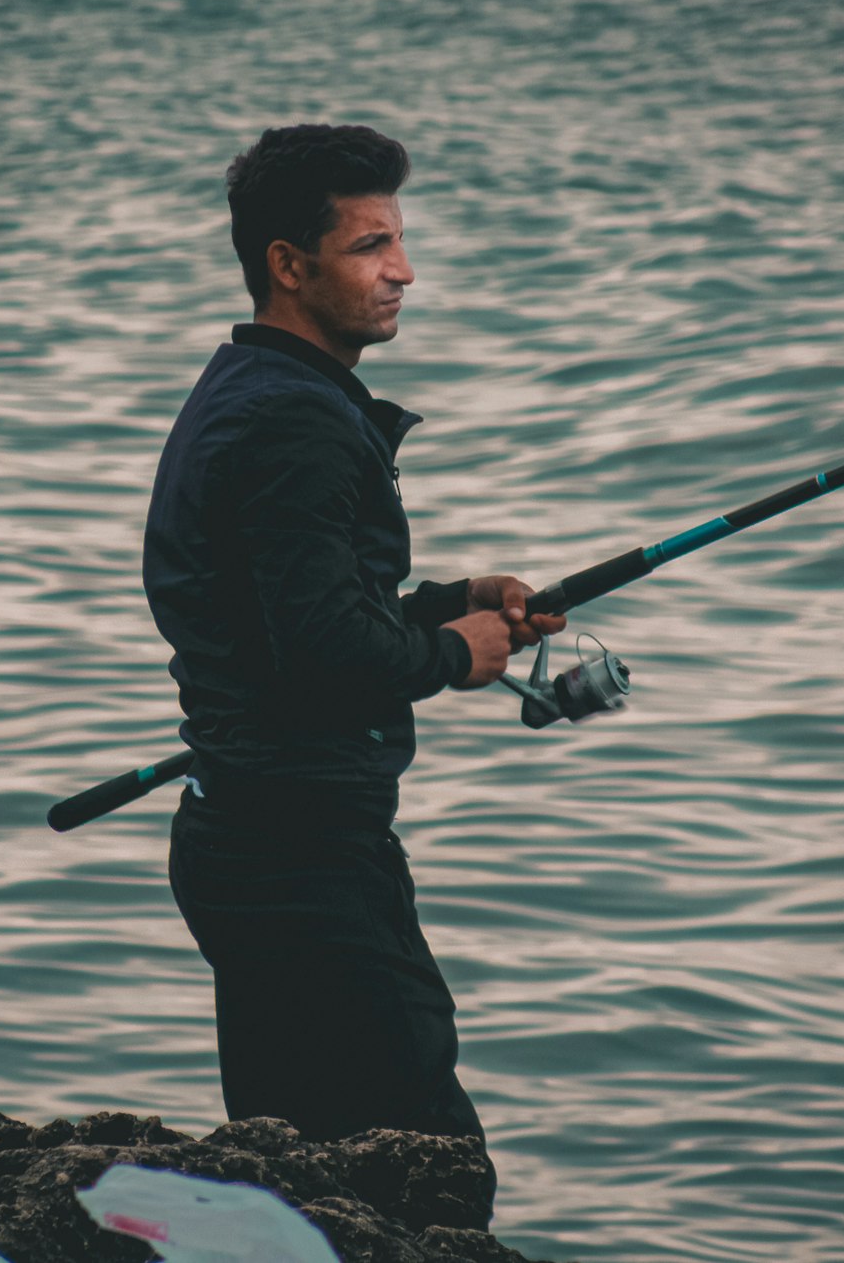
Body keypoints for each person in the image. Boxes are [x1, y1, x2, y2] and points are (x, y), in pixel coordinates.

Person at [142, 125, 565, 1171]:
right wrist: (450, 657)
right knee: (420, 1161)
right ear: (288, 265)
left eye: (400, 241)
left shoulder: (253, 391)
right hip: (298, 856)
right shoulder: (296, 422)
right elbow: (326, 650)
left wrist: (450, 605)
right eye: (371, 245)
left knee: (299, 1160)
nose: (403, 270)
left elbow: (284, 616)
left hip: (258, 834)